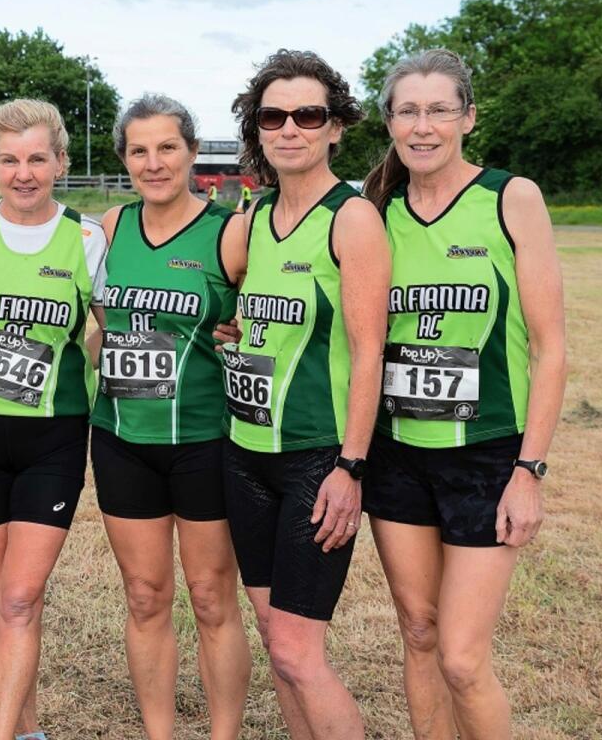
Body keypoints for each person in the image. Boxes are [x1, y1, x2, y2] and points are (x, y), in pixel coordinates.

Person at [361, 49, 566, 739]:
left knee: (461, 657)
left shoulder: (512, 198)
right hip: (396, 454)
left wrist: (529, 471)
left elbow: (550, 348)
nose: (423, 126)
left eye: (439, 110)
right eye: (408, 111)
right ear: (390, 122)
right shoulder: (374, 212)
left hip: (487, 457)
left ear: (468, 118)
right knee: (419, 633)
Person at [225, 49, 390, 739]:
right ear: (256, 129)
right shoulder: (252, 218)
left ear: (336, 127)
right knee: (275, 638)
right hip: (244, 452)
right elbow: (236, 312)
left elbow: (369, 351)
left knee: (298, 650)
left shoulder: (351, 218)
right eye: (273, 116)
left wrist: (351, 467)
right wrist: (232, 331)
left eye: (308, 115)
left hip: (317, 459)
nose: (289, 128)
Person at [0, 99, 107, 740]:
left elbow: (109, 328)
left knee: (17, 596)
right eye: (9, 160)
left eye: (38, 158)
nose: (24, 173)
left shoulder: (88, 239)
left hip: (52, 438)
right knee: (4, 594)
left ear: (61, 161)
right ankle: (28, 726)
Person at [91, 93, 251, 740]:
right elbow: (94, 319)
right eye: (139, 151)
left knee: (211, 599)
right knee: (145, 595)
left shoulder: (230, 232)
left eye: (166, 148)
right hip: (122, 437)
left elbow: (264, 317)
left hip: (204, 440)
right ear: (124, 158)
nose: (153, 163)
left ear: (192, 152)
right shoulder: (109, 226)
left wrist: (240, 331)